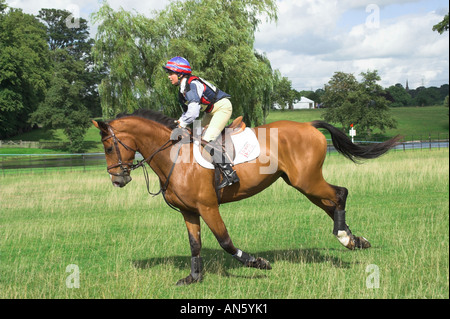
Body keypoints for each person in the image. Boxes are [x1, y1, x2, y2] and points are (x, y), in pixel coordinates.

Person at [163, 56, 239, 189]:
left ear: (180, 73)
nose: (169, 77)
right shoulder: (182, 88)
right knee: (196, 136)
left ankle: (230, 173)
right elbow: (186, 113)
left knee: (206, 140)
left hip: (222, 108)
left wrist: (181, 123)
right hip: (210, 112)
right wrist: (180, 122)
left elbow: (193, 113)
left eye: (171, 73)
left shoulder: (190, 85)